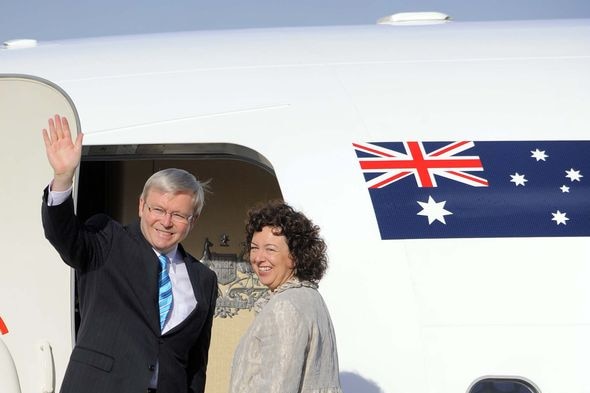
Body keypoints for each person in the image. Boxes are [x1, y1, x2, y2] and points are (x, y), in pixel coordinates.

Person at [41, 114, 218, 393]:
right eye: (158, 210)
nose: (166, 221)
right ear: (141, 206)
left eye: (178, 215)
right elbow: (62, 234)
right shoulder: (107, 239)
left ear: (193, 220)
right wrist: (63, 178)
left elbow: (196, 365)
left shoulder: (204, 278)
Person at [229, 201, 342, 393]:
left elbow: (277, 387)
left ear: (295, 256)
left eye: (270, 249)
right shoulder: (311, 298)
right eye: (254, 247)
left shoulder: (285, 307)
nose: (258, 257)